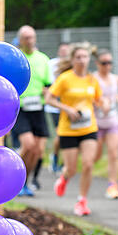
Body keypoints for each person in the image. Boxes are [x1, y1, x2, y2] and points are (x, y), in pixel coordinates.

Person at [46, 42, 108, 217]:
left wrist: (104, 105)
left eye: (85, 57)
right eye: (78, 57)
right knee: (71, 169)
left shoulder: (92, 79)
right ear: (72, 60)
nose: (82, 60)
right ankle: (64, 177)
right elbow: (49, 99)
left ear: (89, 59)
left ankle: (82, 201)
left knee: (88, 164)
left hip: (89, 128)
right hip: (68, 130)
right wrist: (67, 109)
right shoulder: (65, 78)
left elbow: (99, 99)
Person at [10, 25, 52, 195]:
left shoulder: (43, 59)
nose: (29, 41)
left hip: (38, 107)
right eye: (26, 38)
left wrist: (47, 94)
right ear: (20, 40)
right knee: (28, 144)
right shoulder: (16, 57)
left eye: (32, 37)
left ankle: (24, 182)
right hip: (21, 107)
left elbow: (48, 84)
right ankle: (12, 174)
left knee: (38, 150)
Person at [92, 48, 118, 199]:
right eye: (104, 63)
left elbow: (114, 94)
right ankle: (85, 171)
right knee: (96, 156)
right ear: (97, 63)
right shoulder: (93, 79)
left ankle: (113, 185)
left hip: (112, 121)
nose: (107, 66)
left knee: (113, 153)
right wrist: (100, 104)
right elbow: (89, 96)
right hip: (97, 122)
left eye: (110, 63)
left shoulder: (114, 78)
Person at [46, 42, 70, 173]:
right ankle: (55, 156)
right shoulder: (52, 64)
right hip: (55, 106)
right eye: (62, 51)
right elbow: (48, 84)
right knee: (60, 134)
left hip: (69, 105)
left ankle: (65, 163)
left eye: (67, 51)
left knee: (68, 135)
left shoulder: (73, 66)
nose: (64, 53)